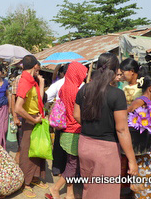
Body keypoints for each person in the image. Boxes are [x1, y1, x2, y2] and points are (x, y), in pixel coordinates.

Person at [73, 52, 138, 198]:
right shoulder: (117, 94)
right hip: (105, 151)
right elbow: (121, 129)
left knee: (89, 188)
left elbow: (76, 115)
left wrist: (91, 125)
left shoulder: (84, 89)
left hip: (84, 145)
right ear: (115, 71)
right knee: (105, 192)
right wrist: (132, 160)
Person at [46, 62, 87, 199]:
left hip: (65, 129)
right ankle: (55, 188)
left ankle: (70, 193)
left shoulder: (64, 87)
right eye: (82, 74)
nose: (84, 77)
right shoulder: (76, 91)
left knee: (70, 161)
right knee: (73, 164)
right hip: (74, 129)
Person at [14, 55, 47, 198]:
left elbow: (38, 99)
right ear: (35, 66)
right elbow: (18, 108)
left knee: (38, 150)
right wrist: (32, 120)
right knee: (27, 153)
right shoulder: (24, 82)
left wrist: (41, 83)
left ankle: (34, 178)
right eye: (38, 67)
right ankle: (25, 183)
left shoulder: (31, 81)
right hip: (31, 121)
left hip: (37, 119)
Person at [45, 63, 70, 177]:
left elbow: (47, 97)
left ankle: (57, 168)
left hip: (60, 118)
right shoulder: (80, 84)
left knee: (59, 142)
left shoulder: (58, 83)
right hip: (71, 119)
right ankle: (67, 170)